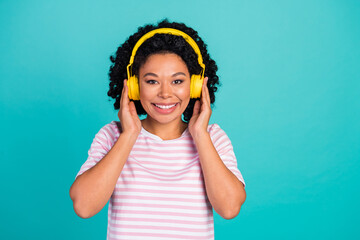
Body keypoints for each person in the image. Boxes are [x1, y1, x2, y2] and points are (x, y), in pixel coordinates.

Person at [69, 19, 246, 240]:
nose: (165, 93)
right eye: (152, 81)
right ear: (133, 87)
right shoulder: (112, 135)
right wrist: (129, 135)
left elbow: (229, 208)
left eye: (177, 81)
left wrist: (200, 135)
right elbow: (84, 207)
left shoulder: (214, 138)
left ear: (195, 85)